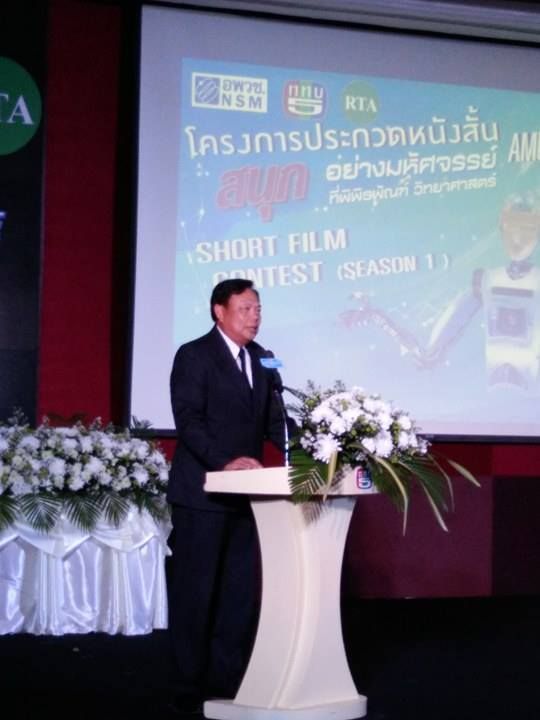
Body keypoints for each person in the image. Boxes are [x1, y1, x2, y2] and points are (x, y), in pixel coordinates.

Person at [167, 278, 293, 714]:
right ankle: (187, 684)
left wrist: (317, 450)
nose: (255, 317)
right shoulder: (193, 355)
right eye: (245, 309)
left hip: (246, 496)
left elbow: (276, 422)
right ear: (218, 311)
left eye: (258, 309)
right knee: (196, 591)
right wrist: (226, 461)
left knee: (238, 593)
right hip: (203, 494)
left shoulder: (262, 358)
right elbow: (188, 421)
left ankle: (228, 680)